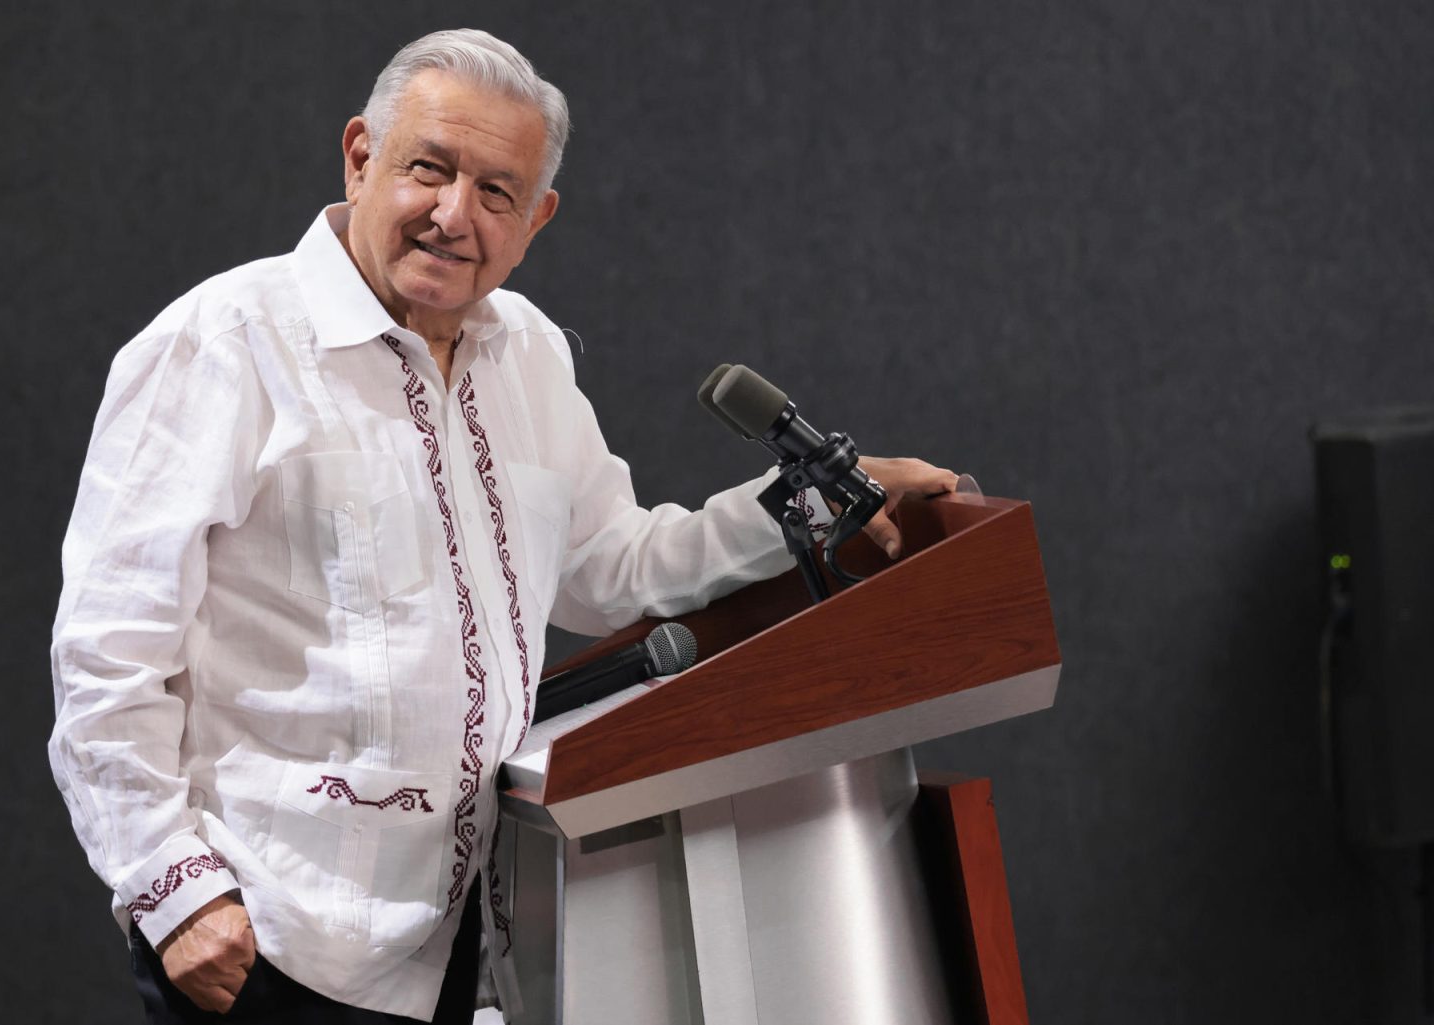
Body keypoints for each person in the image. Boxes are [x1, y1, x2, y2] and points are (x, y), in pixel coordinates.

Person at [48, 27, 958, 1025]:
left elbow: (612, 566)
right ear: (360, 157)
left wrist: (812, 502)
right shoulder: (222, 345)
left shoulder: (527, 352)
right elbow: (107, 656)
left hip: (467, 941)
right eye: (427, 170)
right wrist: (172, 886)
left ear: (537, 217)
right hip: (273, 937)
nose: (452, 216)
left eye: (495, 192)